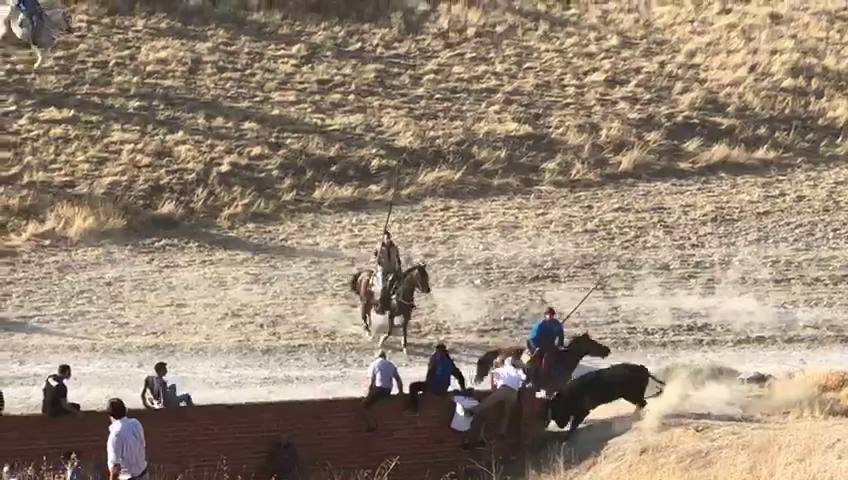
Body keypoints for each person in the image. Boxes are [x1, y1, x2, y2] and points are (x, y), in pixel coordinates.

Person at [462, 356, 525, 449]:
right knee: (507, 413)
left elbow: (493, 381)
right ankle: (502, 432)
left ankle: (473, 410)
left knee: (487, 402)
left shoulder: (502, 369)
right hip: (514, 394)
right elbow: (524, 381)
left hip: (504, 390)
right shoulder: (518, 371)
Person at [407, 343, 466, 414]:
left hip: (434, 388)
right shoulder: (450, 362)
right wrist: (463, 388)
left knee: (413, 386)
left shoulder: (435, 360)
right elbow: (460, 376)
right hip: (444, 388)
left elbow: (430, 375)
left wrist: (427, 389)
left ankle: (414, 409)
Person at [106, 398, 147, 480]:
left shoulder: (115, 434)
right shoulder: (136, 423)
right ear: (125, 411)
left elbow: (115, 468)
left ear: (110, 416)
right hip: (143, 474)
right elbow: (143, 445)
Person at [527, 307, 565, 394]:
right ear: (545, 315)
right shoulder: (540, 324)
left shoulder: (556, 324)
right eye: (548, 315)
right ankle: (538, 379)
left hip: (550, 346)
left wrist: (560, 345)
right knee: (543, 360)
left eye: (552, 315)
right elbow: (533, 337)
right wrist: (536, 347)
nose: (550, 316)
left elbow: (561, 335)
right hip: (538, 345)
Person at [363, 350, 403, 432]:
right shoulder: (391, 364)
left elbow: (371, 381)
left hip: (379, 389)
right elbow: (398, 380)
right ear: (385, 356)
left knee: (365, 404)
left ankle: (372, 424)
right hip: (388, 390)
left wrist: (368, 394)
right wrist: (400, 392)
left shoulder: (374, 364)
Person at [374, 230, 402, 312]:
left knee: (401, 285)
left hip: (392, 270)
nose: (388, 240)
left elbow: (398, 259)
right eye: (386, 238)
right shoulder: (379, 248)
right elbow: (376, 258)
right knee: (383, 287)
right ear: (383, 239)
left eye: (389, 238)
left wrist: (399, 269)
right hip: (383, 270)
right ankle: (381, 305)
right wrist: (378, 262)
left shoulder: (395, 248)